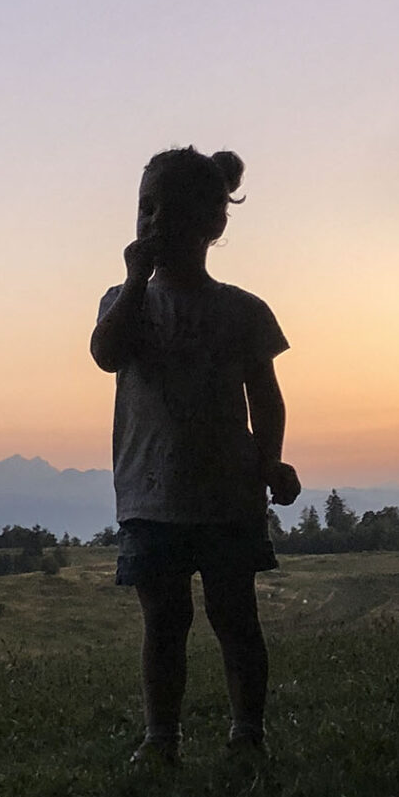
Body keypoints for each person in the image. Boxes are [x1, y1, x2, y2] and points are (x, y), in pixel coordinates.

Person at [89, 146, 301, 764]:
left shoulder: (243, 311)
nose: (153, 222)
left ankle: (248, 733)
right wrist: (135, 280)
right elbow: (106, 354)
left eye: (170, 209)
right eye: (145, 208)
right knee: (163, 624)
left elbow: (266, 398)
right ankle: (161, 739)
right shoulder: (123, 302)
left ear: (213, 223)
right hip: (150, 496)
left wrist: (270, 461)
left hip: (229, 495)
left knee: (235, 618)